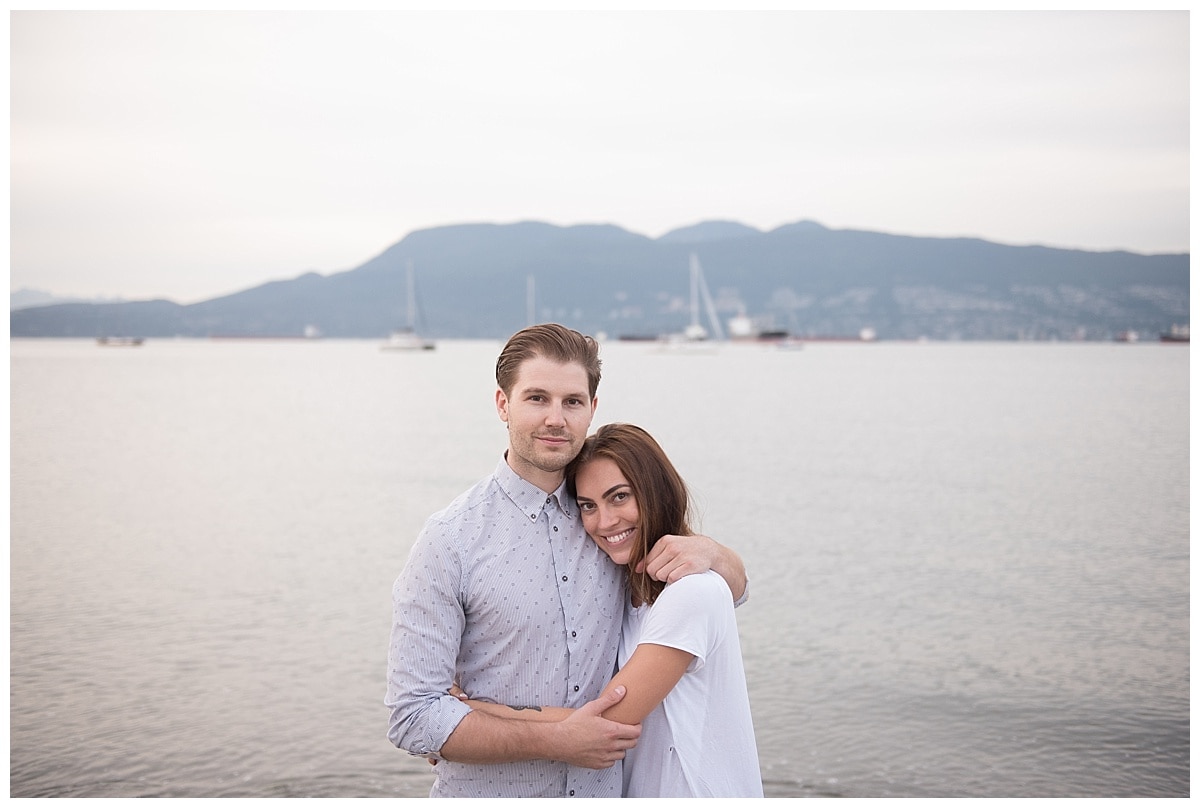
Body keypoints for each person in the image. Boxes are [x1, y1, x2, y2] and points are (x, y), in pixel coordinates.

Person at [385, 323, 748, 798]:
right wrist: (554, 739)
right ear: (503, 405)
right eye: (537, 398)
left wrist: (715, 552)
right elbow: (412, 718)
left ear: (591, 410)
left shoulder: (612, 524)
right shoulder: (449, 541)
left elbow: (722, 599)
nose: (556, 418)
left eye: (572, 401)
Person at [452, 423, 763, 797]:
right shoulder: (625, 587)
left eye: (619, 497)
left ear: (655, 492)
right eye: (588, 506)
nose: (605, 521)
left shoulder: (691, 592)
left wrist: (466, 717)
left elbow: (606, 723)